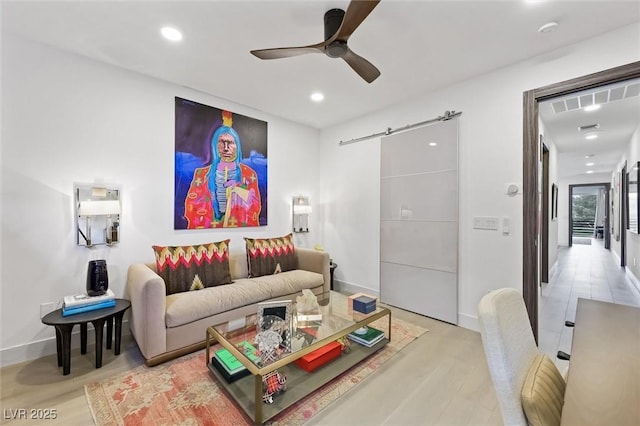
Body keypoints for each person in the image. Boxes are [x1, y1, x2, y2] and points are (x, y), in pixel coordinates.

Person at [184, 111, 261, 228]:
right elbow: (192, 206)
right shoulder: (201, 174)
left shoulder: (249, 174)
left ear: (237, 146)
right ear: (215, 145)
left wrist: (238, 190)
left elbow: (255, 206)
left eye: (230, 143)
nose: (226, 148)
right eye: (221, 142)